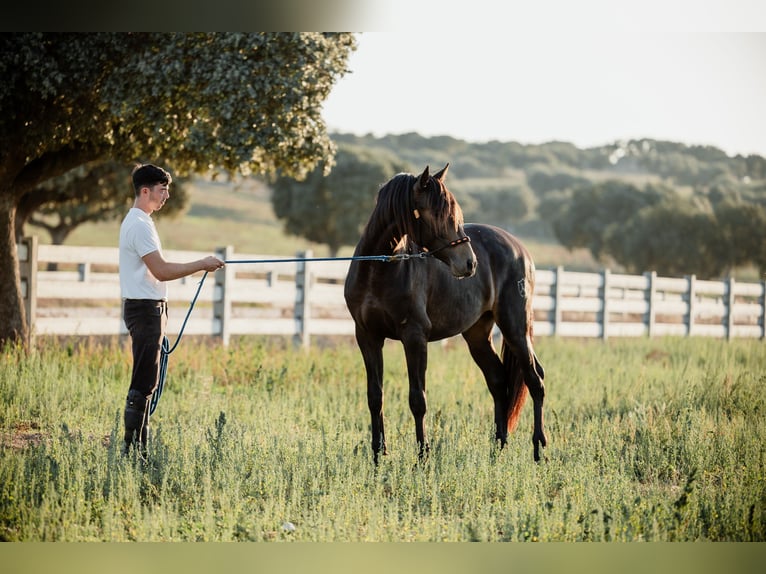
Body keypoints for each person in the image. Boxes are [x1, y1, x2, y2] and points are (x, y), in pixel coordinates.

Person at [119, 163, 225, 456]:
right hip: (145, 310)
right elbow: (162, 271)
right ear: (145, 191)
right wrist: (202, 264)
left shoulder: (141, 222)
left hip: (147, 308)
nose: (166, 195)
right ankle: (133, 453)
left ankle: (140, 449)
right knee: (144, 380)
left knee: (148, 379)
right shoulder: (139, 225)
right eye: (162, 189)